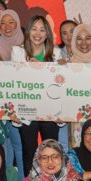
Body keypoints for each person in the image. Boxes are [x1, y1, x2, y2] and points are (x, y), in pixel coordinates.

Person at [10, 15, 60, 169]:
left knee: (52, 151)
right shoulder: (18, 52)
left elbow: (59, 83)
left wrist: (42, 68)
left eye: (42, 30)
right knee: (29, 151)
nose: (38, 34)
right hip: (27, 109)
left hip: (50, 109)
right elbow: (14, 82)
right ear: (28, 31)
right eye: (34, 29)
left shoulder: (56, 53)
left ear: (47, 34)